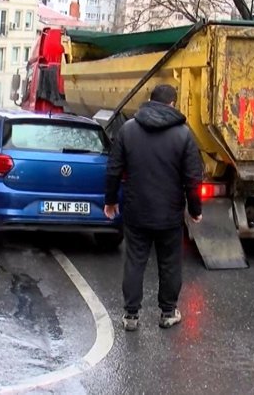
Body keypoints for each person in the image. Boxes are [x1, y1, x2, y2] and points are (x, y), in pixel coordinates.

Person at [104, 84, 204, 331]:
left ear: (149, 100)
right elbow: (193, 178)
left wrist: (110, 201)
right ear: (173, 104)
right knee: (170, 262)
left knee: (135, 261)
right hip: (169, 214)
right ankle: (168, 312)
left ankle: (131, 316)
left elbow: (114, 169)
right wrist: (195, 209)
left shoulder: (128, 130)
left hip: (136, 211)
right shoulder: (183, 134)